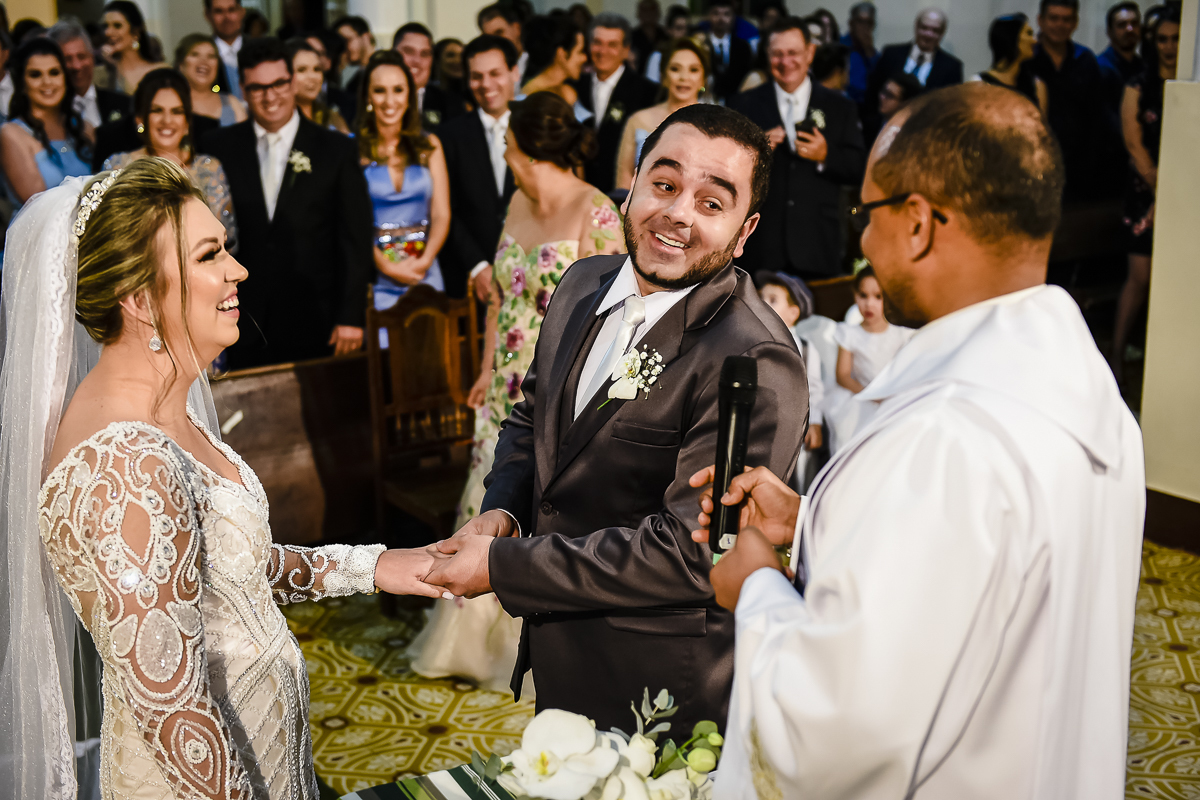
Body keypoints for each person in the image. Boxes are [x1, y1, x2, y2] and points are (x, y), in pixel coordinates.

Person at [693, 82, 1144, 800]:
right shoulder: (1087, 395)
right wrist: (811, 523)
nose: (861, 238)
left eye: (864, 212)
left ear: (918, 224)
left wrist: (756, 585)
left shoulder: (947, 435)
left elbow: (833, 734)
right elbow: (986, 575)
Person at [0, 157, 444, 799]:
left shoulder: (160, 414)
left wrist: (375, 566)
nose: (237, 270)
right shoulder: (125, 463)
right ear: (141, 298)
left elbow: (222, 571)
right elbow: (172, 710)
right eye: (210, 255)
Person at [421, 103, 808, 737]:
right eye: (664, 184)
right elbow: (531, 415)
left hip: (662, 689)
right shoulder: (581, 282)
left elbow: (691, 552)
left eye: (712, 203)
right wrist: (506, 508)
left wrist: (501, 567)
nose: (678, 212)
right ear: (631, 187)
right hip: (561, 655)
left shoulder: (752, 357)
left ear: (745, 231)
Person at [410, 91, 624, 694]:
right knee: (489, 499)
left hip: (559, 389)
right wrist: (483, 368)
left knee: (543, 507)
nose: (503, 152)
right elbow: (501, 300)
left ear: (525, 148)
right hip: (504, 385)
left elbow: (613, 318)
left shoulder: (598, 211)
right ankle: (471, 643)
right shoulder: (514, 205)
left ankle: (538, 646)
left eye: (506, 143)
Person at [202, 37, 373, 369]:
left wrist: (350, 316)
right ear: (243, 90)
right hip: (241, 320)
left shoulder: (335, 150)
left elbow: (355, 238)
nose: (270, 96)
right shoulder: (218, 147)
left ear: (292, 82)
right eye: (257, 88)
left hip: (317, 320)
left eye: (278, 83)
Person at [730, 17, 866, 279]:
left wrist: (826, 155)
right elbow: (726, 169)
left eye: (793, 53)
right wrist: (755, 151)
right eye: (777, 54)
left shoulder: (840, 107)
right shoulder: (744, 105)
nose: (786, 62)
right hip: (762, 246)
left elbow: (858, 167)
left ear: (810, 53)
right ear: (767, 56)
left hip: (818, 242)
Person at [356, 50, 450, 317]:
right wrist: (387, 267)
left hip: (426, 270)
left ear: (409, 95)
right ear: (367, 97)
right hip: (377, 275)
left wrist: (426, 260)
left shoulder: (429, 145)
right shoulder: (353, 150)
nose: (389, 101)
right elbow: (351, 223)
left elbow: (441, 213)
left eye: (398, 90)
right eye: (379, 90)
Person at [1112, 7, 1178, 382]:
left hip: (1182, 194)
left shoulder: (1190, 85)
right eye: (1163, 39)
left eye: (1177, 39)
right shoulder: (1139, 82)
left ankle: (1163, 362)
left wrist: (1172, 195)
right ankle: (1117, 357)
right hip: (1145, 191)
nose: (1169, 46)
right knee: (1139, 278)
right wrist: (1159, 193)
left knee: (1173, 281)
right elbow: (1134, 146)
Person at [103, 67, 237, 248]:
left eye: (177, 111)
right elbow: (111, 238)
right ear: (141, 119)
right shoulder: (118, 167)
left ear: (187, 122)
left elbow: (227, 241)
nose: (167, 120)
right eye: (157, 110)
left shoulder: (209, 169)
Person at [438, 35, 520, 301]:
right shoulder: (448, 136)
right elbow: (444, 207)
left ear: (514, 73)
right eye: (476, 76)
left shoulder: (536, 128)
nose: (486, 84)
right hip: (468, 279)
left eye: (495, 73)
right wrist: (477, 266)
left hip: (528, 267)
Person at [824, 265, 913, 450]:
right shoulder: (849, 333)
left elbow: (905, 372)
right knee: (854, 434)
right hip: (862, 395)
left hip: (892, 395)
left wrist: (889, 396)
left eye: (878, 297)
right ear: (855, 295)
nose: (869, 304)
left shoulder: (901, 335)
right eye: (863, 296)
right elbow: (843, 375)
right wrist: (871, 394)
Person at [0, 38, 92, 208]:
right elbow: (37, 204)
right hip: (40, 232)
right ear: (22, 82)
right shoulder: (11, 133)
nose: (47, 82)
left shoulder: (83, 127)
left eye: (54, 72)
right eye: (35, 74)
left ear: (65, 76)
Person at [1031, 0, 1108, 200]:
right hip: (1034, 163)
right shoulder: (1026, 59)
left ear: (1075, 23)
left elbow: (1096, 115)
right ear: (1040, 20)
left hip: (1078, 167)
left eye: (1066, 19)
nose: (1060, 25)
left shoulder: (1086, 60)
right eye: (1053, 18)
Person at [756, 270, 826, 485]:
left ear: (793, 313)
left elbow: (814, 387)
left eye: (773, 300)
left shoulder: (805, 348)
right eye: (760, 298)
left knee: (796, 471)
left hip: (795, 425)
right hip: (761, 422)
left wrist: (815, 423)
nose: (763, 304)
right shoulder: (752, 342)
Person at [577, 13, 659, 193]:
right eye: (597, 42)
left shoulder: (647, 92)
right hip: (580, 191)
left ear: (625, 49)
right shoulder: (575, 86)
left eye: (612, 45)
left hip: (621, 194)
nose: (602, 51)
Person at [616, 37, 708, 191]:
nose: (684, 77)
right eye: (675, 69)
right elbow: (623, 180)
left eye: (693, 70)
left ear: (703, 79)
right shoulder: (637, 120)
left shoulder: (716, 125)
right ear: (663, 76)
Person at [863, 9, 962, 129]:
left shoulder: (951, 67)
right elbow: (872, 93)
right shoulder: (891, 54)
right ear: (916, 27)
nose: (928, 34)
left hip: (924, 134)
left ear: (942, 34)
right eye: (924, 28)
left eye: (935, 31)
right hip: (884, 128)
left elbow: (951, 109)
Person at [47, 20, 132, 129]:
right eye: (67, 59)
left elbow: (140, 132)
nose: (76, 66)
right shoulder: (50, 113)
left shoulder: (124, 104)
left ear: (92, 58)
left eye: (81, 56)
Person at [394, 22, 467, 132]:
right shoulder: (369, 99)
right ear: (392, 53)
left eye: (424, 54)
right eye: (409, 51)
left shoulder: (450, 103)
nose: (417, 61)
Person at [974, 13, 1049, 116]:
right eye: (1028, 33)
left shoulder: (1037, 86)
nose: (1034, 41)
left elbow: (1041, 129)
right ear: (1011, 38)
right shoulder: (978, 83)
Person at [175, 34, 248, 128]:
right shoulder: (170, 102)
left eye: (211, 56)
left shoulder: (232, 103)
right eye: (195, 54)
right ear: (181, 64)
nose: (204, 62)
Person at [99, 1, 163, 96]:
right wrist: (114, 67)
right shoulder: (98, 74)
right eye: (105, 26)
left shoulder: (159, 72)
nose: (108, 32)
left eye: (117, 25)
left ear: (135, 33)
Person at [520, 16, 587, 105]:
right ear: (561, 54)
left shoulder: (566, 92)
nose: (584, 58)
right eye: (580, 52)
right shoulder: (534, 97)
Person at [287, 38, 348, 133]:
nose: (312, 77)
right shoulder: (277, 121)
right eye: (301, 70)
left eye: (317, 69)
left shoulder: (332, 118)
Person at [1098, 1, 1144, 112]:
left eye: (1134, 23)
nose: (1129, 29)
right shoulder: (1100, 68)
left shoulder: (1143, 67)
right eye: (1121, 25)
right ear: (1109, 31)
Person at [707, 0, 753, 103]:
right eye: (716, 13)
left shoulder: (742, 47)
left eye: (726, 14)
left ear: (733, 17)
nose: (721, 19)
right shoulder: (702, 42)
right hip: (704, 99)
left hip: (736, 102)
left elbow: (745, 78)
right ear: (709, 15)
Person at [865, 70, 922, 143]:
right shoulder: (869, 124)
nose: (882, 97)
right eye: (883, 91)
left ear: (905, 103)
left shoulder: (909, 137)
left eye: (889, 95)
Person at [205, 0, 245, 101]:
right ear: (208, 15)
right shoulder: (200, 57)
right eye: (219, 11)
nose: (227, 17)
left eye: (231, 10)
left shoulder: (260, 49)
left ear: (242, 12)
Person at [478, 3, 528, 85]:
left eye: (499, 32)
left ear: (516, 28)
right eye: (490, 37)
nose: (496, 41)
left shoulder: (540, 63)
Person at [335, 14, 374, 119]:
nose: (345, 47)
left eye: (347, 40)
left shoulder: (383, 68)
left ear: (365, 37)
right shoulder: (353, 77)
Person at [841, 1, 879, 106]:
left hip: (866, 106)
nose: (864, 27)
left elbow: (876, 82)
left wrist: (868, 51)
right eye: (860, 21)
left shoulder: (874, 55)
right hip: (842, 101)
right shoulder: (839, 47)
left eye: (869, 23)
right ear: (851, 23)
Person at [644, 4, 691, 83]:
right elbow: (651, 88)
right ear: (668, 30)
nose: (684, 33)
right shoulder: (658, 56)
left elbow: (702, 87)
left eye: (687, 28)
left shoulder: (693, 55)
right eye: (679, 28)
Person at [631, 0, 666, 75]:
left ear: (657, 13)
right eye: (645, 11)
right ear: (639, 14)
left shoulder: (665, 36)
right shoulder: (631, 36)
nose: (648, 14)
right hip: (638, 79)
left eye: (651, 10)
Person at [432, 37, 466, 103]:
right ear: (437, 60)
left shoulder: (473, 94)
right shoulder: (428, 95)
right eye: (450, 55)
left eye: (462, 55)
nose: (458, 60)